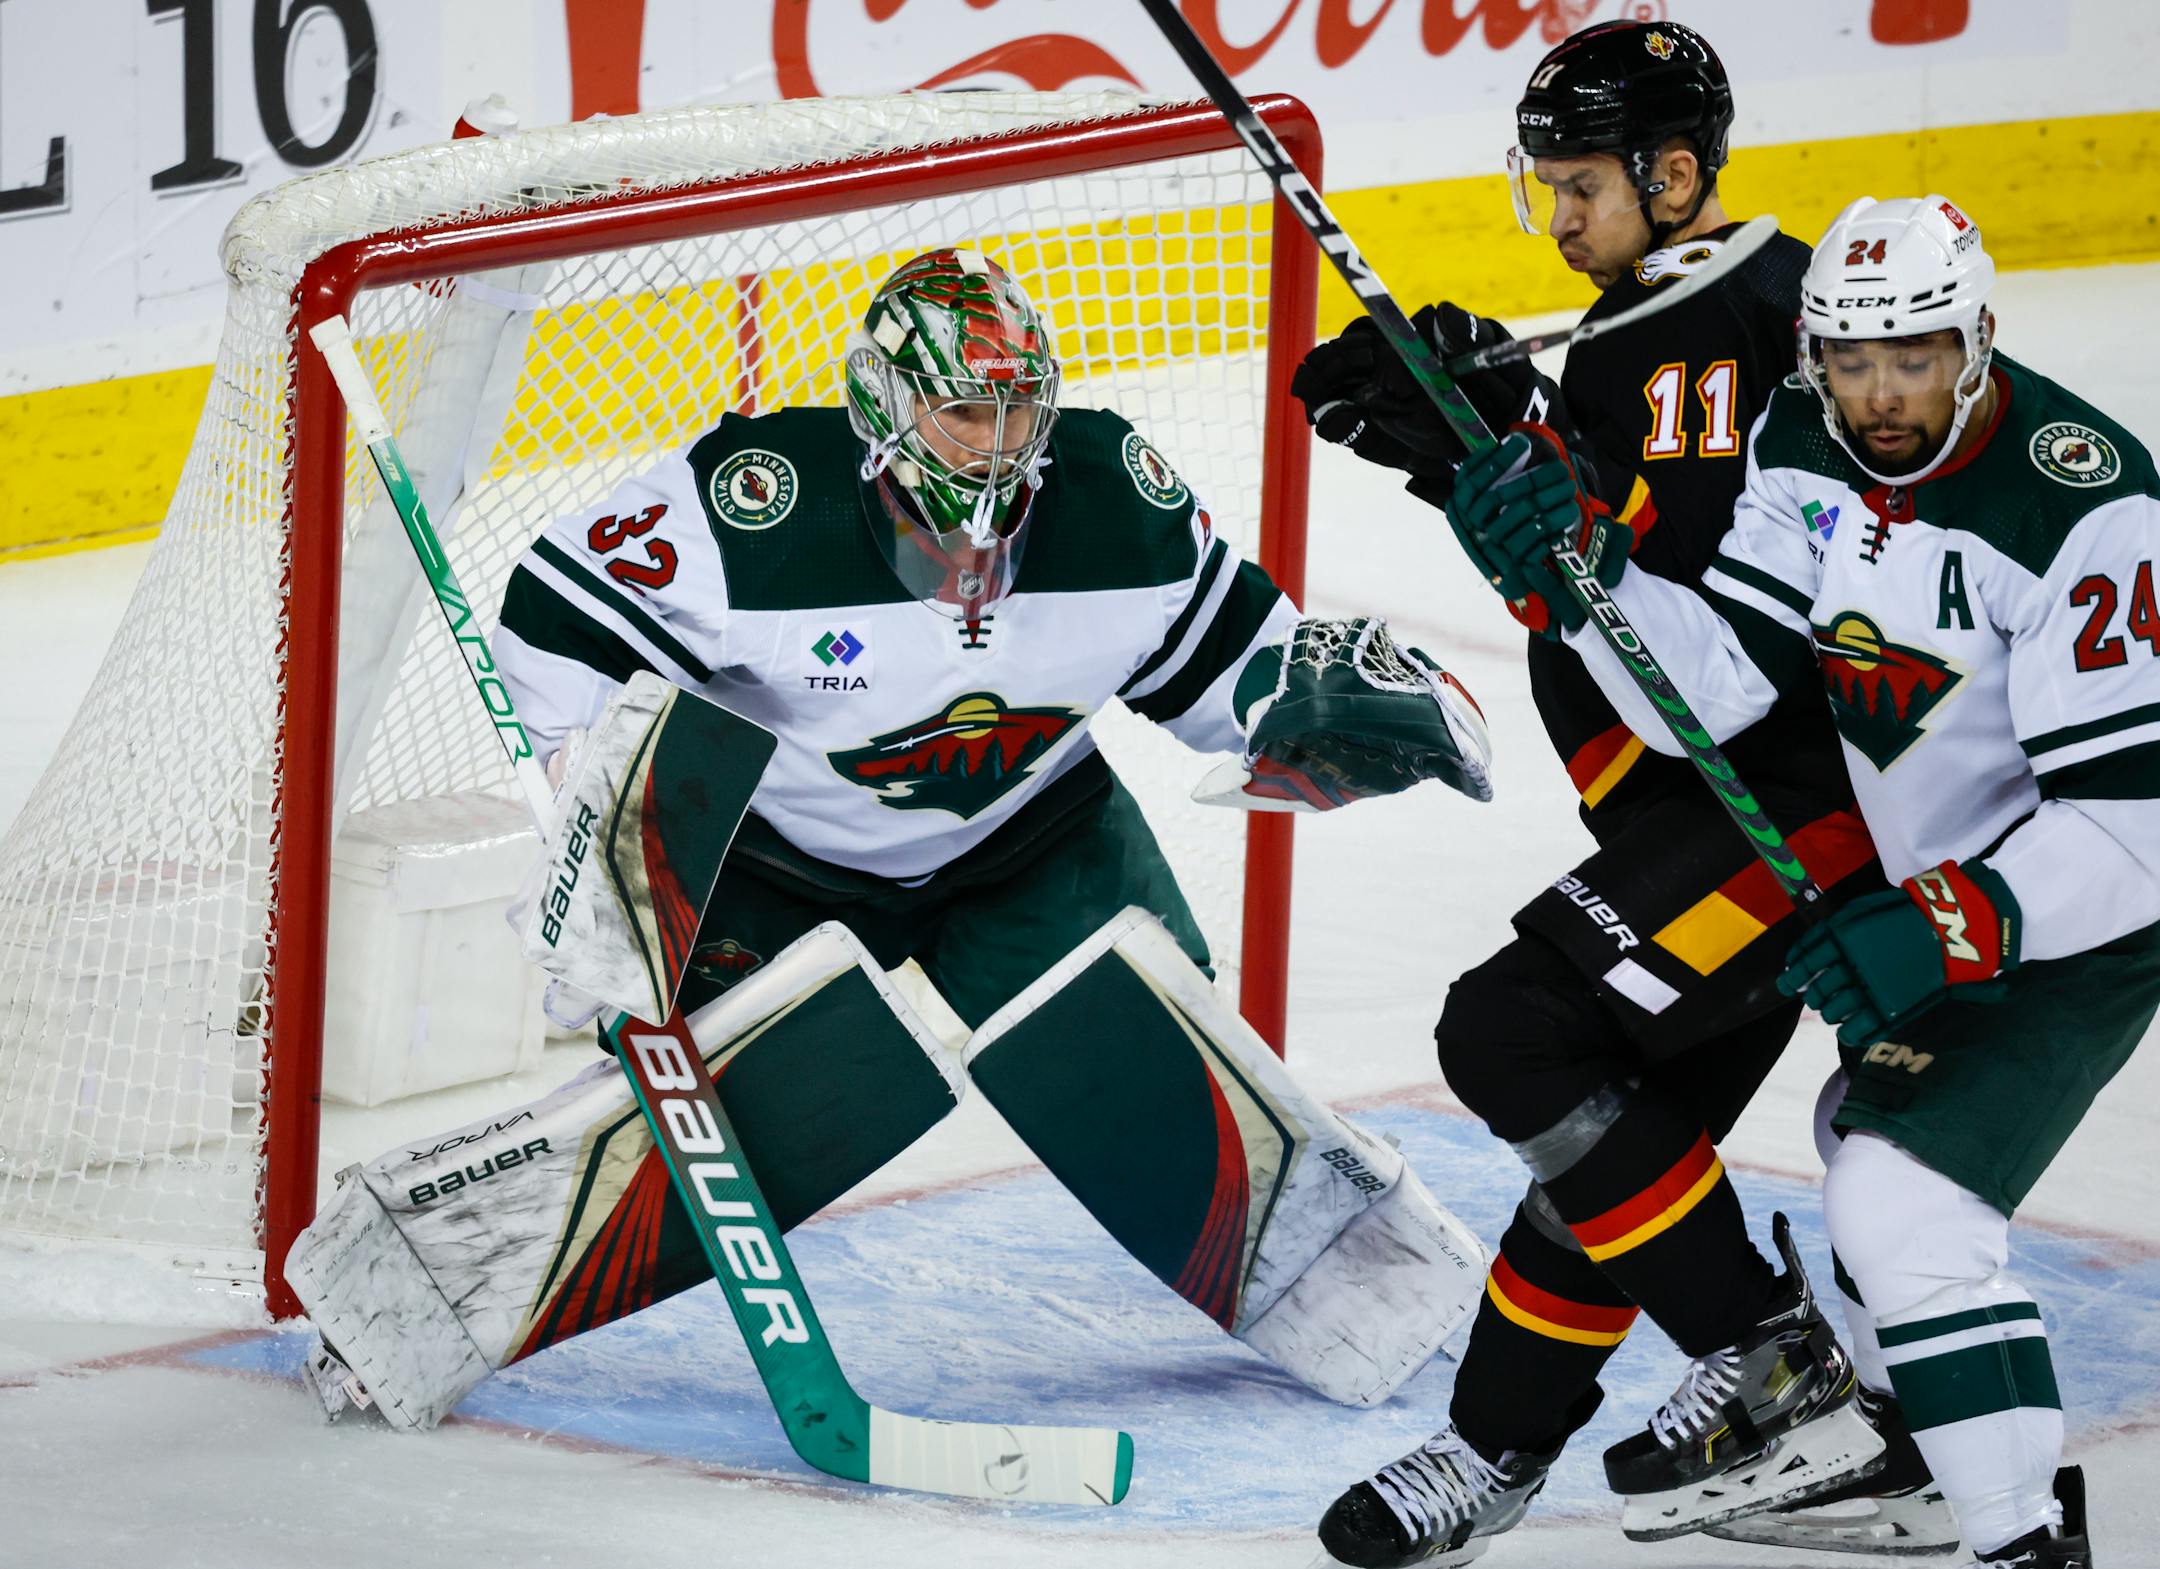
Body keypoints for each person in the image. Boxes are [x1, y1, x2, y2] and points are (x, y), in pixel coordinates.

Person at [280, 246, 1499, 1435]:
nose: (1002, 445)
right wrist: (587, 826)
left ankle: (1392, 1308)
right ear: (885, 407)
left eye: (1021, 414)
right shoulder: (751, 509)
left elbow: (1227, 670)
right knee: (717, 1117)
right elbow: (557, 616)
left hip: (1038, 841)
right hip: (780, 865)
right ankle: (412, 1300)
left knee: (1153, 1066)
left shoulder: (1117, 502)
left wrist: (1310, 714)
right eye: (969, 414)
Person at [1293, 21, 1926, 1567]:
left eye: (1581, 186)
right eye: (1548, 187)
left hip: (1785, 819)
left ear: (1677, 173)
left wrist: (1531, 497)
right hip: (1691, 822)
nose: (1560, 218)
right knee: (1614, 1143)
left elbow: (1708, 663)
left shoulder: (1728, 343)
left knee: (1512, 1029)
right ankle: (1497, 1446)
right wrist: (1491, 438)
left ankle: (1776, 1361)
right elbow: (1610, 547)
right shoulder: (1653, 330)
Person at [1447, 191, 2158, 1567]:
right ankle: (1913, 1455)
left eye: (1919, 357)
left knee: (1905, 1210)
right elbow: (1706, 691)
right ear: (1812, 354)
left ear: (1982, 339)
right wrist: (1584, 574)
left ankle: (2018, 1540)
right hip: (1940, 900)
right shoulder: (1799, 436)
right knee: (1860, 1154)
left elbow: (2139, 828)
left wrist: (1957, 921)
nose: (1884, 396)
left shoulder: (2085, 508)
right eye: (1851, 360)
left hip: (2082, 919)